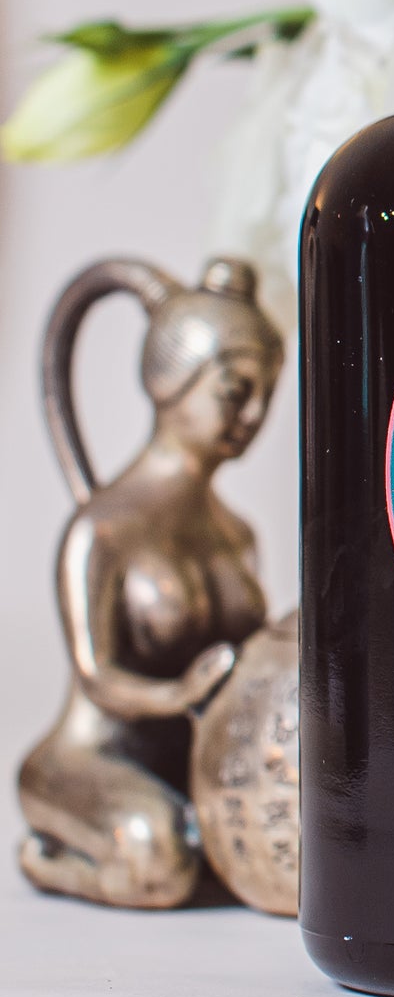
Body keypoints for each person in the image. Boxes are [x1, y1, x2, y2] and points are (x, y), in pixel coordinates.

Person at [17, 257, 282, 907]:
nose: (250, 415)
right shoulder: (104, 530)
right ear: (172, 384)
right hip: (93, 760)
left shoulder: (237, 534)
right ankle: (50, 861)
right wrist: (178, 693)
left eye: (265, 396)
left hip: (190, 767)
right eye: (233, 389)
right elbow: (97, 675)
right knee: (160, 860)